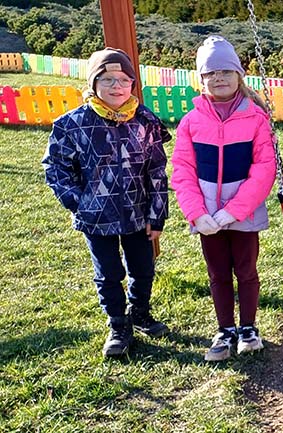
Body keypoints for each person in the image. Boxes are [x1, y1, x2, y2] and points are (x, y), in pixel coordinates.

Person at [43, 48, 170, 357]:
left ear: (132, 84)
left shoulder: (145, 120)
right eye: (108, 79)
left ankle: (140, 312)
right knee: (109, 272)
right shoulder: (72, 124)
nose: (117, 86)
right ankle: (118, 324)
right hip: (96, 218)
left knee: (143, 268)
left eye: (124, 80)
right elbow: (56, 168)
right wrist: (79, 203)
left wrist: (157, 214)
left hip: (138, 214)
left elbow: (156, 169)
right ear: (94, 83)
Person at [171, 35, 277, 361]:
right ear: (201, 79)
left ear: (239, 75)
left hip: (243, 212)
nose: (219, 78)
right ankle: (225, 329)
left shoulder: (255, 118)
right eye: (211, 73)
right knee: (217, 272)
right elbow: (183, 170)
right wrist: (196, 213)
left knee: (246, 270)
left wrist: (234, 211)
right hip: (206, 213)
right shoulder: (191, 122)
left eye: (226, 71)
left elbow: (264, 169)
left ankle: (248, 328)